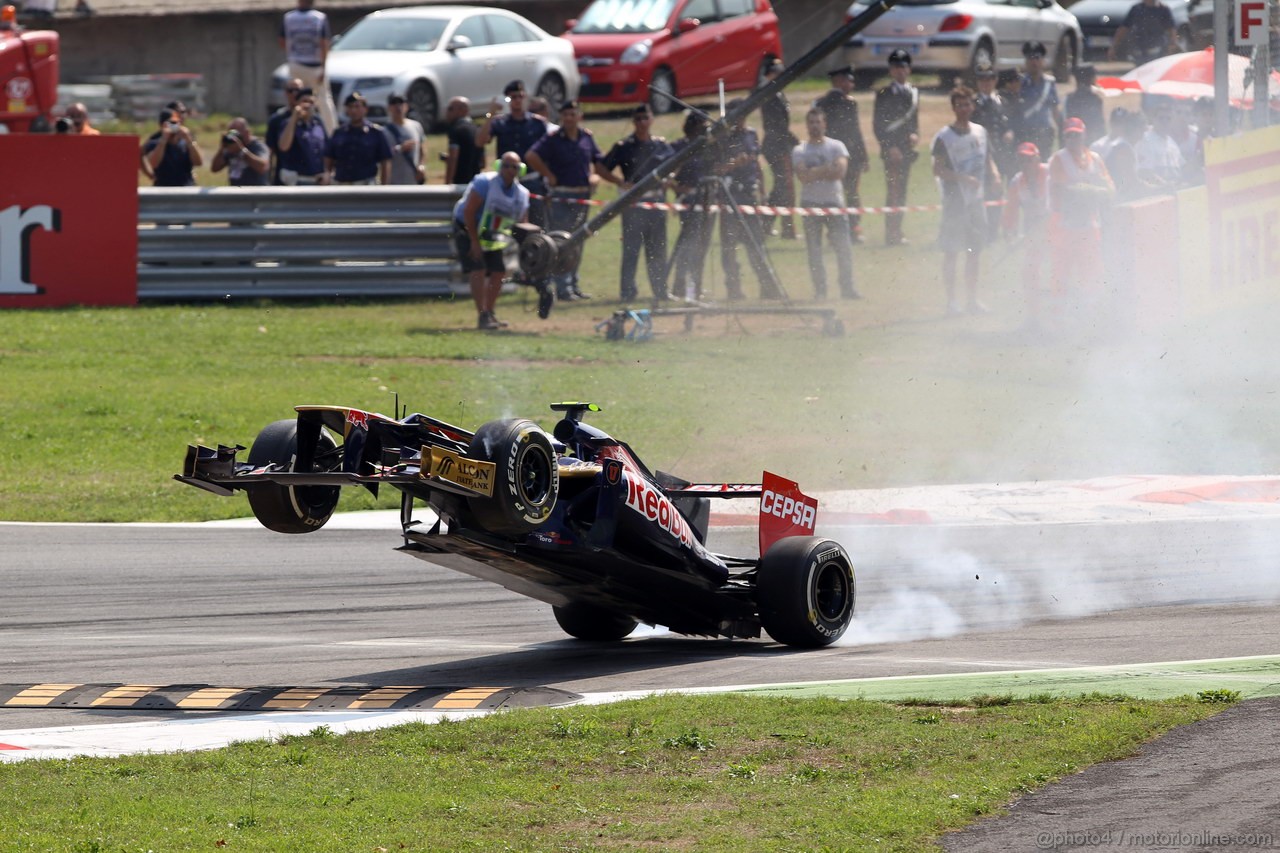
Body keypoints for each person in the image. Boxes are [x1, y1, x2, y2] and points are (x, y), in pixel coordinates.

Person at [932, 86, 1000, 315]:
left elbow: (987, 156)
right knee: (952, 251)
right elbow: (937, 169)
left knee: (974, 251)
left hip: (976, 202)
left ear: (973, 106)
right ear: (953, 108)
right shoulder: (944, 137)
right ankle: (952, 302)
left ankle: (972, 299)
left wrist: (995, 174)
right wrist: (962, 178)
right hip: (955, 201)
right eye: (959, 105)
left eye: (967, 104)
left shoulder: (981, 132)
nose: (964, 109)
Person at [525, 100, 602, 302]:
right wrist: (548, 175)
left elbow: (597, 161)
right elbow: (531, 155)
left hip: (583, 196)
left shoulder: (586, 137)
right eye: (565, 114)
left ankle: (574, 285)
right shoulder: (553, 139)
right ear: (561, 117)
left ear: (579, 116)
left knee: (579, 241)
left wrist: (595, 177)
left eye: (572, 114)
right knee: (561, 241)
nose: (569, 118)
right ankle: (562, 287)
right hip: (561, 195)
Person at [599, 104, 675, 302]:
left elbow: (674, 165)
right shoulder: (624, 146)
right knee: (631, 250)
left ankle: (661, 291)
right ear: (634, 122)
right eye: (638, 119)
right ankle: (627, 292)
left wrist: (669, 179)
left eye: (645, 118)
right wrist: (620, 182)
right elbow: (601, 168)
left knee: (657, 250)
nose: (642, 122)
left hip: (656, 202)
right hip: (633, 204)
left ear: (651, 119)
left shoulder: (660, 144)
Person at [453, 151, 531, 330]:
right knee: (478, 268)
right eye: (506, 165)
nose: (510, 170)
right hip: (467, 227)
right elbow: (469, 212)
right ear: (499, 166)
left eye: (514, 167)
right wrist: (474, 242)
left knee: (498, 271)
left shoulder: (521, 194)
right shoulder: (484, 183)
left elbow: (522, 222)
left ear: (521, 170)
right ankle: (482, 315)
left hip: (491, 232)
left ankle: (489, 312)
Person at [713, 100, 781, 301]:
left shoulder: (751, 134)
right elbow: (716, 169)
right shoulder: (722, 138)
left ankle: (767, 287)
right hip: (730, 195)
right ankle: (734, 289)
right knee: (730, 247)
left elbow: (756, 166)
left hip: (749, 197)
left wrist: (762, 191)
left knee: (756, 245)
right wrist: (733, 163)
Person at [1048, 117, 1114, 306]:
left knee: (1091, 267)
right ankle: (1059, 310)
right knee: (1062, 270)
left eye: (1076, 135)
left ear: (1084, 135)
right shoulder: (1059, 159)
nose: (1073, 139)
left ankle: (1089, 308)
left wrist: (1093, 191)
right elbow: (1065, 190)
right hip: (1064, 224)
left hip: (1090, 222)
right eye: (1069, 136)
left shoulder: (1095, 159)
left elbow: (1110, 188)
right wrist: (1093, 191)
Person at [792, 108, 857, 301]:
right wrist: (827, 168)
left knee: (843, 248)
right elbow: (803, 177)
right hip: (810, 204)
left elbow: (840, 172)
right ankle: (820, 291)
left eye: (818, 122)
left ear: (824, 124)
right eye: (811, 122)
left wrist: (814, 171)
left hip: (834, 204)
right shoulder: (799, 150)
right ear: (806, 125)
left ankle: (848, 289)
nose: (814, 126)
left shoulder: (837, 146)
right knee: (814, 251)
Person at [476, 80, 550, 224]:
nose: (517, 101)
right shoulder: (499, 122)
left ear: (525, 98)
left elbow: (547, 153)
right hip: (506, 181)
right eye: (512, 97)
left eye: (520, 96)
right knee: (504, 223)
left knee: (536, 223)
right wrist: (490, 114)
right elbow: (480, 141)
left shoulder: (538, 123)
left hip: (531, 180)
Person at [814, 65, 870, 242]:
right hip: (849, 155)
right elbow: (856, 131)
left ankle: (835, 232)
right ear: (839, 81)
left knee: (836, 194)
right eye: (848, 79)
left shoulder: (821, 102)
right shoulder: (847, 102)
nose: (851, 84)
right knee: (851, 193)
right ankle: (852, 229)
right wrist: (863, 156)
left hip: (831, 155)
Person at [873, 49, 920, 246]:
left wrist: (915, 133)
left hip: (907, 149)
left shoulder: (914, 92)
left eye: (903, 66)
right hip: (891, 150)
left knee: (903, 191)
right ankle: (891, 233)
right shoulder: (884, 93)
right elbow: (878, 125)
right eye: (896, 67)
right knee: (893, 190)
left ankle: (898, 230)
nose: (900, 70)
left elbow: (913, 120)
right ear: (891, 70)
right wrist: (889, 146)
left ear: (908, 69)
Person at [1001, 142, 1051, 326]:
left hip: (1056, 229)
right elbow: (1010, 212)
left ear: (1037, 159)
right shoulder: (1017, 182)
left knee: (1058, 271)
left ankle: (1061, 315)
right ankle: (1033, 317)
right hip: (1032, 232)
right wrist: (1009, 234)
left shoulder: (1050, 173)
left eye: (1029, 159)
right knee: (1030, 273)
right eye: (1021, 160)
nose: (1025, 164)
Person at [667, 110, 713, 302]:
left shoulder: (708, 147)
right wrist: (680, 188)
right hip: (688, 202)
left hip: (707, 201)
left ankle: (697, 285)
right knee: (687, 246)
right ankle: (680, 285)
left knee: (702, 247)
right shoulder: (679, 147)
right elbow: (667, 175)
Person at [756, 57, 799, 240]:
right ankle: (785, 228)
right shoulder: (769, 94)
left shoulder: (778, 94)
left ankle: (768, 223)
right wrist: (792, 139)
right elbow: (776, 126)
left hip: (781, 144)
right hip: (777, 145)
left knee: (782, 186)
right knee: (785, 186)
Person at [279, 0, 337, 132]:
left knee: (295, 98)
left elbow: (282, 41)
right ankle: (330, 131)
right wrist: (324, 67)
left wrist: (294, 53)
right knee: (323, 100)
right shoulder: (319, 17)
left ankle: (295, 127)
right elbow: (324, 43)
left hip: (295, 63)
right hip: (315, 65)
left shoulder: (289, 18)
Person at [971, 62, 1012, 240]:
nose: (986, 83)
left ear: (995, 80)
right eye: (982, 79)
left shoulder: (1003, 101)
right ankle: (982, 231)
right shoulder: (973, 104)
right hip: (981, 156)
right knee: (982, 195)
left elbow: (1008, 124)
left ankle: (994, 231)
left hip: (1001, 154)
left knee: (998, 193)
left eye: (989, 79)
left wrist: (1009, 132)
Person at [325, 92, 392, 185]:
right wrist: (327, 176)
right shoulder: (339, 132)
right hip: (341, 184)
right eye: (350, 107)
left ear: (365, 109)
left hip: (365, 184)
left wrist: (384, 186)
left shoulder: (376, 132)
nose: (353, 110)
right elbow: (329, 158)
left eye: (357, 106)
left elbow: (385, 161)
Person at [1014, 41, 1062, 163]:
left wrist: (1059, 129)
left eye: (1037, 58)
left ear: (1042, 61)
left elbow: (1055, 108)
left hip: (1045, 132)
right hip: (1025, 132)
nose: (1034, 62)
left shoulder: (1049, 83)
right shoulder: (1019, 83)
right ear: (1025, 62)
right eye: (1030, 59)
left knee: (1044, 164)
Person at [276, 88, 329, 185]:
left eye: (311, 102)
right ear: (297, 103)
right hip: (298, 180)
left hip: (317, 180)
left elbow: (326, 149)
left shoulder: (318, 123)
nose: (308, 105)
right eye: (304, 101)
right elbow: (283, 146)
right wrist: (294, 118)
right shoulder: (288, 123)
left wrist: (327, 172)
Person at [142, 108, 203, 187]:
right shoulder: (154, 143)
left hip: (186, 188)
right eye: (172, 123)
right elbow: (153, 164)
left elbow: (198, 162)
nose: (175, 126)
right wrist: (163, 140)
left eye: (177, 123)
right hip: (163, 189)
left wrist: (189, 140)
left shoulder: (186, 142)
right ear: (162, 124)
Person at [1108, 0, 1178, 64]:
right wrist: (1114, 46)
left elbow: (1171, 29)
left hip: (1157, 47)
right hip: (1139, 47)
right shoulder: (1137, 9)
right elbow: (1124, 28)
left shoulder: (1163, 9)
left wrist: (1172, 45)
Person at [1134, 103, 1184, 188]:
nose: (1165, 121)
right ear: (1153, 119)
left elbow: (1182, 168)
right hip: (1157, 194)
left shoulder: (1172, 143)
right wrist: (1166, 185)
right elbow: (1144, 172)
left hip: (1173, 191)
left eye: (1168, 119)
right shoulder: (1146, 140)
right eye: (1161, 118)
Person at [266, 78, 305, 184]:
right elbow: (270, 151)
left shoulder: (314, 119)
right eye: (290, 90)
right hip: (285, 176)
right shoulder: (277, 119)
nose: (294, 94)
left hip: (309, 178)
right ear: (285, 93)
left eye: (298, 90)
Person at [210, 117, 270, 186]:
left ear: (247, 133)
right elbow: (215, 168)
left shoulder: (257, 146)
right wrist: (222, 148)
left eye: (237, 134)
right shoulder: (231, 147)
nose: (235, 138)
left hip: (256, 193)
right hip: (236, 193)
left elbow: (262, 167)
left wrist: (241, 151)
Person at [382, 93, 426, 185]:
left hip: (413, 181)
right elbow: (382, 156)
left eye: (401, 103)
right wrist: (400, 149)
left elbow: (422, 149)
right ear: (389, 108)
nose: (398, 107)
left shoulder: (416, 126)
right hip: (394, 182)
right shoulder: (384, 132)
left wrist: (421, 165)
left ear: (406, 106)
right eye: (394, 104)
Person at [443, 97, 483, 185]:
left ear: (462, 110)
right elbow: (483, 162)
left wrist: (447, 183)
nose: (447, 113)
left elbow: (453, 158)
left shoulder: (456, 129)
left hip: (460, 183)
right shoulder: (477, 129)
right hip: (475, 184)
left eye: (450, 109)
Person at [1064, 65, 1105, 147]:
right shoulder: (1095, 99)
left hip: (1073, 140)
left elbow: (1065, 120)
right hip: (1091, 140)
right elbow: (1100, 124)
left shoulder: (1069, 98)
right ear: (1089, 79)